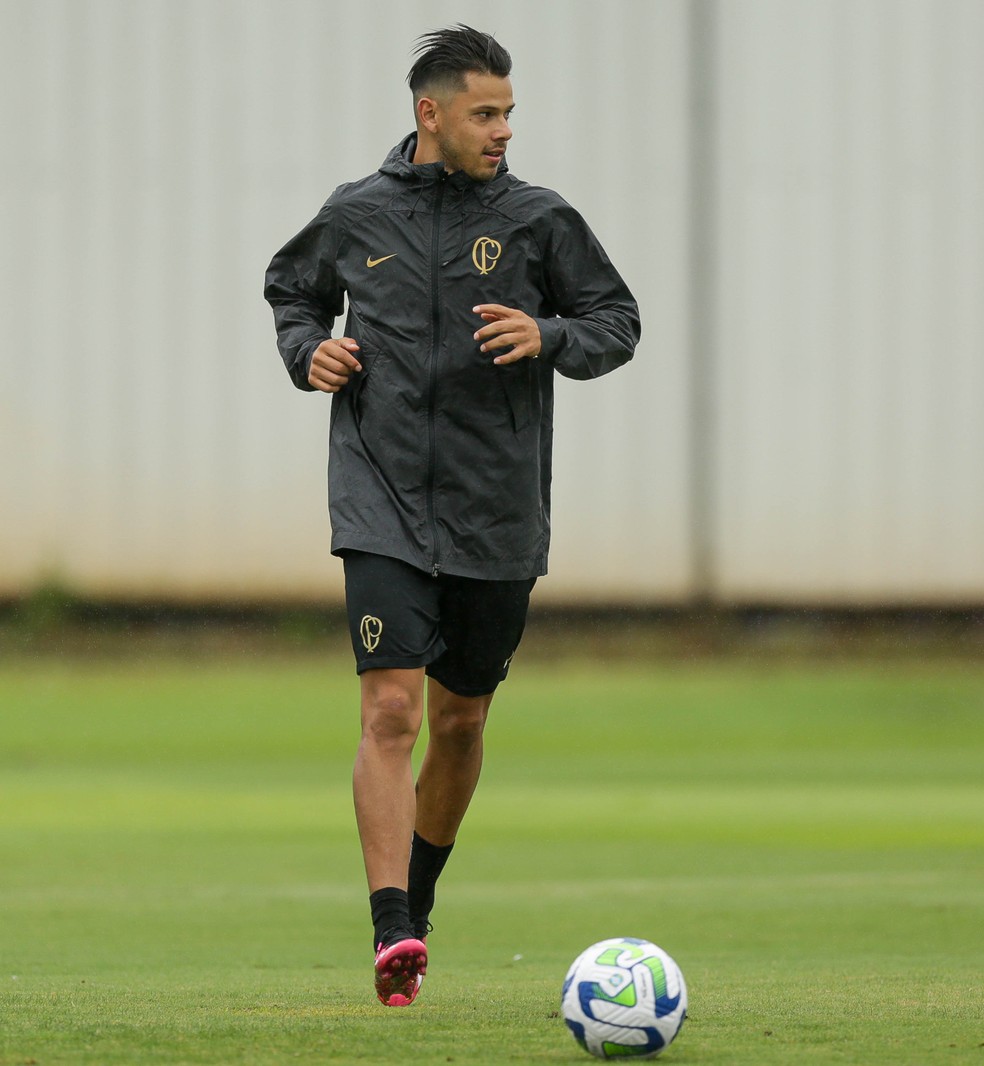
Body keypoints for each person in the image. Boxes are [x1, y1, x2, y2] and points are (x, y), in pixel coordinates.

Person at [264, 24, 640, 1007]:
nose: (504, 129)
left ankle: (419, 901)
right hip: (379, 498)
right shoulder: (356, 213)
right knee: (389, 708)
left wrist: (548, 332)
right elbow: (292, 296)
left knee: (460, 719)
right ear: (430, 113)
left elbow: (616, 322)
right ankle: (392, 930)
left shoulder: (539, 219)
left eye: (509, 112)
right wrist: (311, 353)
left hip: (495, 511)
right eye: (486, 112)